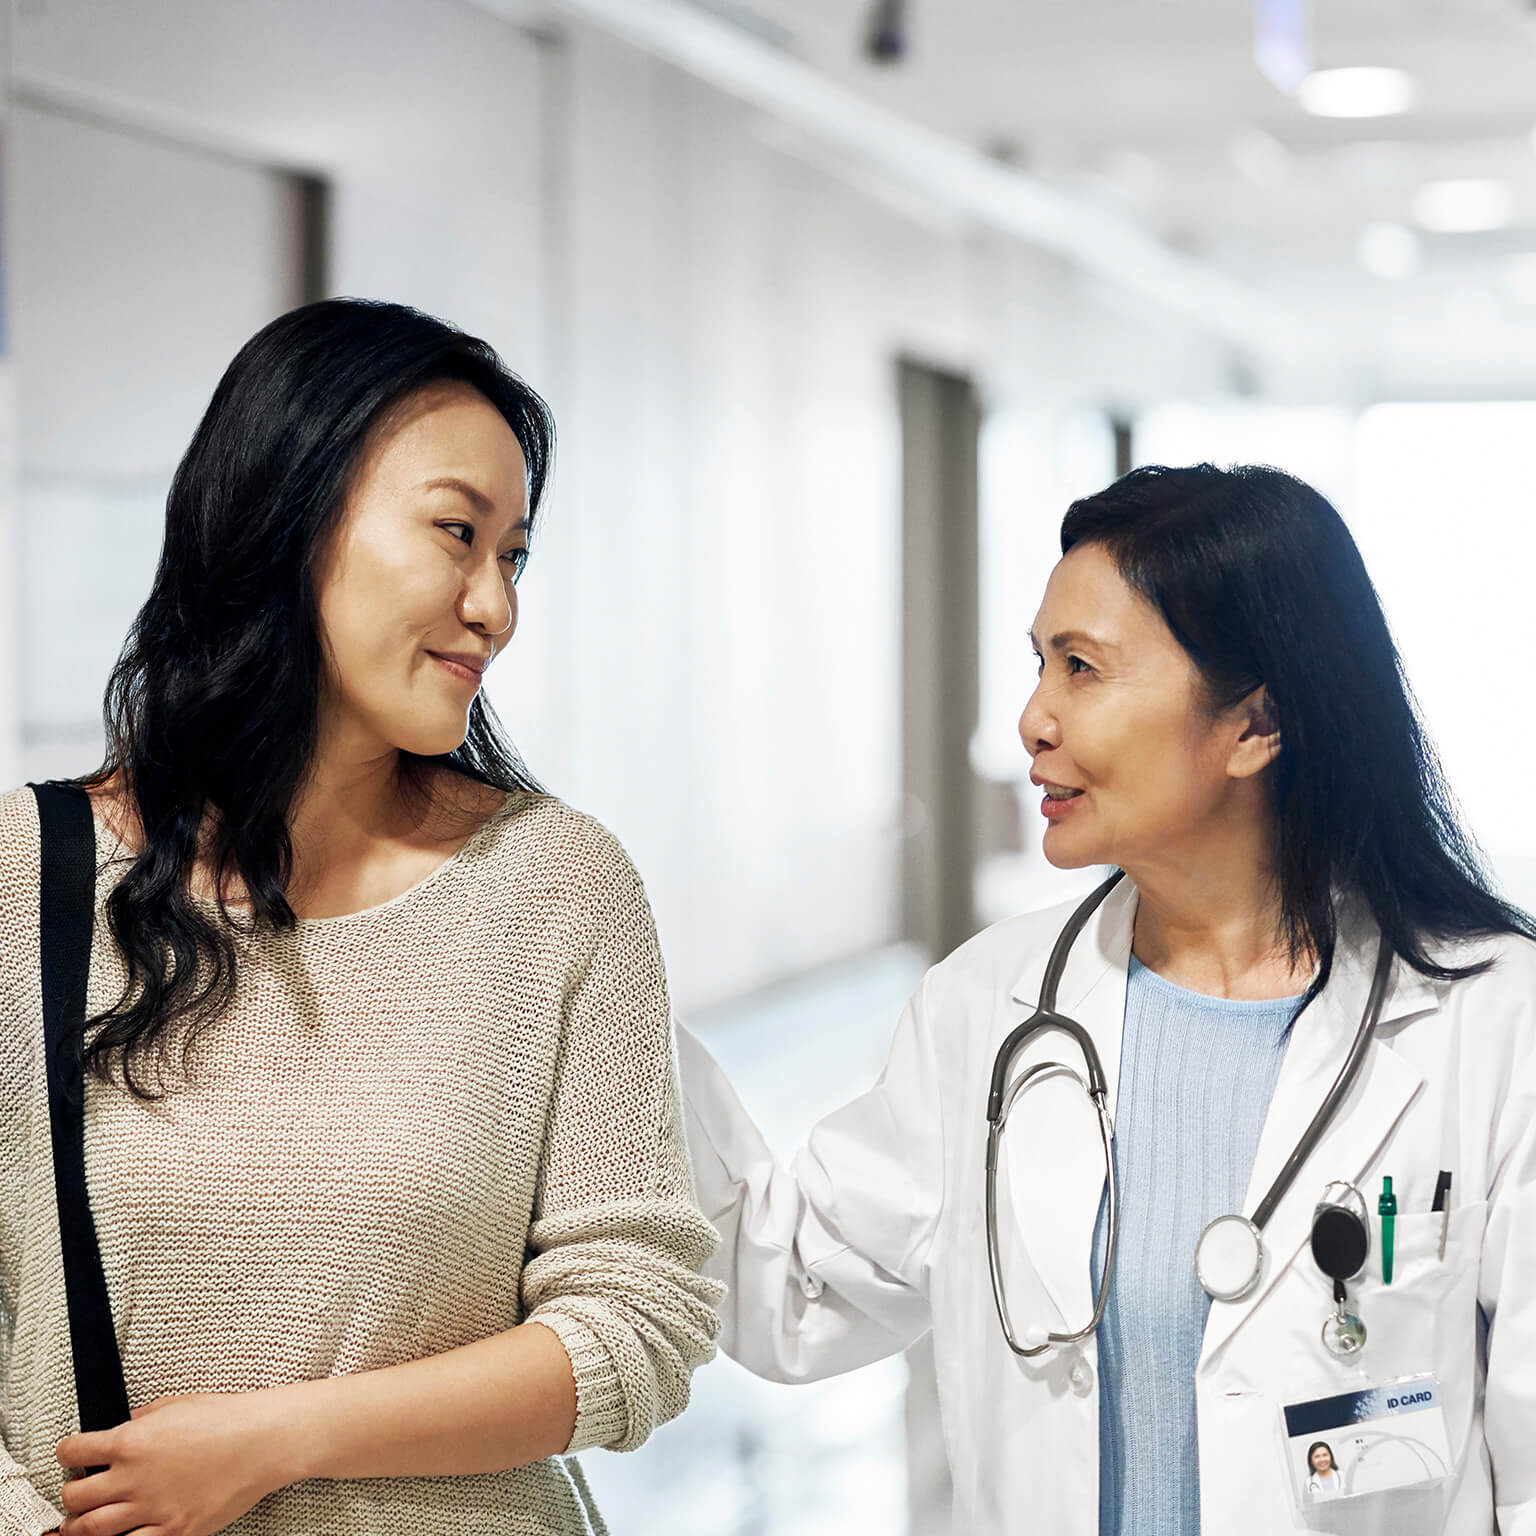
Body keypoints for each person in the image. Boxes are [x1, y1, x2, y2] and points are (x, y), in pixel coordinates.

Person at [679, 464, 1536, 1534]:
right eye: (1040, 663)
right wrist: (601, 978)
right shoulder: (988, 1009)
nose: (1034, 718)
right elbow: (791, 1290)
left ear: (1255, 724)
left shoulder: (1492, 1019)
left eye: (1082, 668)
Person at [0, 298, 721, 1536]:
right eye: (457, 533)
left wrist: (272, 1441)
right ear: (286, 515)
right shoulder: (28, 877)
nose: (495, 605)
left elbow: (637, 1319)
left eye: (516, 555)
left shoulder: (559, 886)